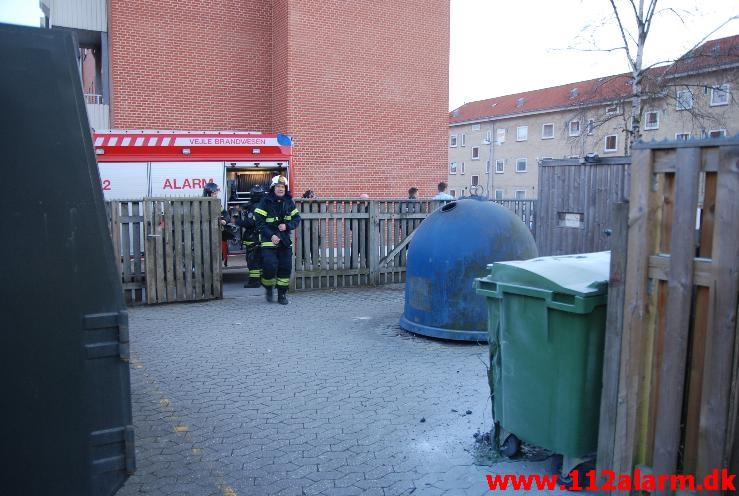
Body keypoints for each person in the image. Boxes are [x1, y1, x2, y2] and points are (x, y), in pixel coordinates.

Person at [254, 175, 301, 304]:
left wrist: (287, 225)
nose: (281, 189)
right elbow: (259, 222)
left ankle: (282, 295)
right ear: (273, 188)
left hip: (285, 241)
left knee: (285, 267)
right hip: (269, 240)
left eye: (283, 187)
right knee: (270, 266)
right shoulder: (265, 202)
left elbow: (297, 219)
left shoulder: (289, 202)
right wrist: (271, 235)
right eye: (278, 186)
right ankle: (268, 287)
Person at [238, 184, 265, 288]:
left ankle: (254, 282)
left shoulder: (254, 207)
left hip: (253, 238)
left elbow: (250, 223)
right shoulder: (263, 205)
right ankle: (262, 279)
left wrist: (238, 221)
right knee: (260, 260)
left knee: (252, 260)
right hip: (261, 237)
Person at [203, 182, 231, 267]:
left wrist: (225, 220)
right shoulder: (202, 204)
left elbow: (225, 214)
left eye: (216, 193)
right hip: (206, 236)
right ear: (208, 194)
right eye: (214, 194)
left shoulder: (217, 203)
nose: (216, 195)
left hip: (216, 234)